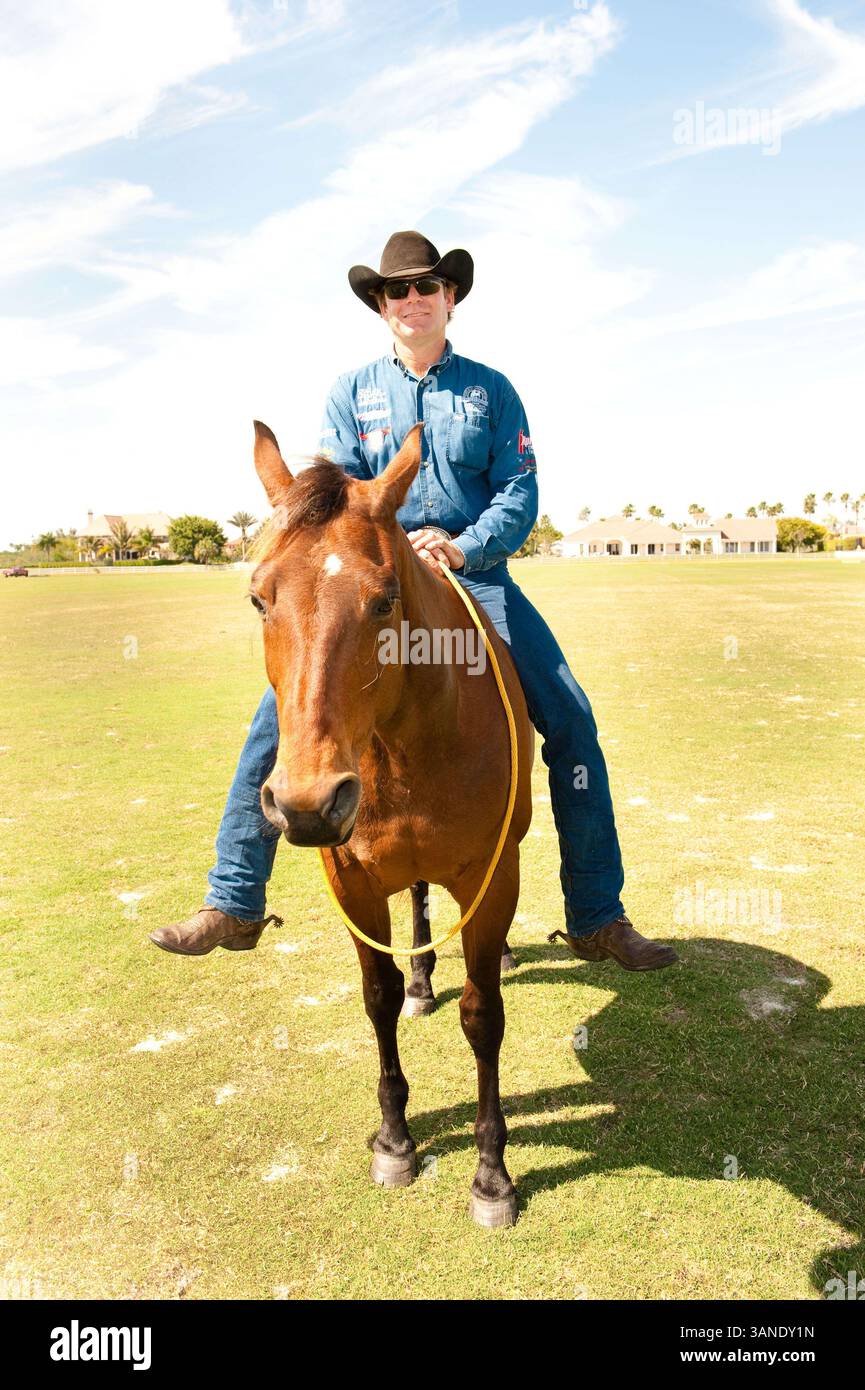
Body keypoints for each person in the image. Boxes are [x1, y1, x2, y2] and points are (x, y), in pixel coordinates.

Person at [150, 231, 677, 971]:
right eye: (396, 290)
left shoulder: (491, 389)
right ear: (380, 305)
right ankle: (234, 898)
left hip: (478, 578)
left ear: (449, 298)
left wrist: (465, 545)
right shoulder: (351, 391)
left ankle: (596, 915)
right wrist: (386, 542)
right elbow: (336, 495)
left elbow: (518, 490)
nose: (411, 299)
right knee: (279, 719)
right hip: (379, 588)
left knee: (571, 721)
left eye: (425, 287)